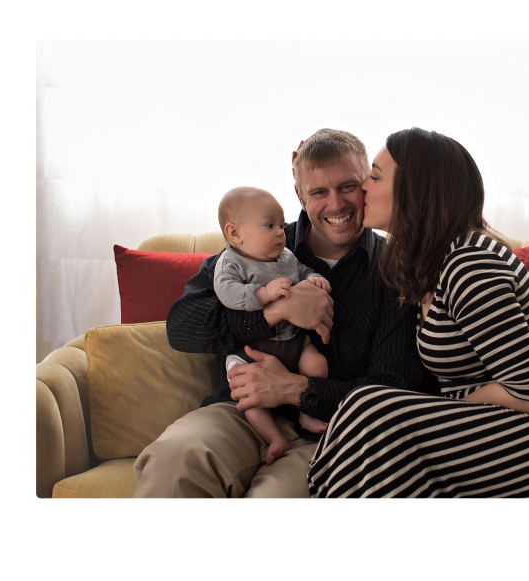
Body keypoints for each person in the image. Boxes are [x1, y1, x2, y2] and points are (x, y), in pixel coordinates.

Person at [132, 128, 428, 497]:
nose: (336, 204)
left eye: (347, 186)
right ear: (300, 195)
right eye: (319, 192)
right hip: (239, 411)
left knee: (276, 498)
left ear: (366, 184)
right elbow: (182, 328)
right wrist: (275, 310)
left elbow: (393, 387)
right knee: (174, 459)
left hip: (330, 429)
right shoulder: (256, 243)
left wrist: (298, 390)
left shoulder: (394, 269)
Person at [307, 127, 529, 497]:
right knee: (362, 407)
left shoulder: (470, 263)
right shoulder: (429, 266)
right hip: (482, 440)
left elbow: (528, 394)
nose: (362, 186)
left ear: (416, 191)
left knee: (371, 406)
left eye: (375, 176)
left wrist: (432, 410)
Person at [214, 186, 332, 464]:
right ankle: (273, 437)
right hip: (254, 351)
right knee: (248, 394)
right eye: (270, 226)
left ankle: (307, 414)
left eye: (281, 225)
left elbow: (302, 271)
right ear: (235, 233)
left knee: (318, 364)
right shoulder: (230, 263)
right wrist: (265, 295)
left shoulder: (286, 256)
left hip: (292, 341)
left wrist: (313, 279)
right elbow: (227, 292)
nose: (281, 232)